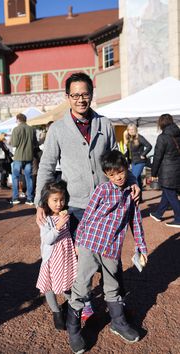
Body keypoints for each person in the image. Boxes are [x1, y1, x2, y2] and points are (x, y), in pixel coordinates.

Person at [35, 72, 140, 325]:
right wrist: (41, 201)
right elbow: (47, 165)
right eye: (75, 95)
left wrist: (133, 180)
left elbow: (117, 160)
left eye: (85, 94)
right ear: (67, 97)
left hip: (108, 204)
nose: (81, 99)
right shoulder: (58, 128)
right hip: (77, 206)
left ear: (92, 95)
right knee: (81, 261)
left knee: (111, 256)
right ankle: (82, 306)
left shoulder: (105, 124)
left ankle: (116, 306)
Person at [66, 150, 148, 353]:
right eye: (112, 174)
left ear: (126, 169)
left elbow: (136, 222)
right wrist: (78, 240)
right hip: (90, 242)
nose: (118, 177)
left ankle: (118, 323)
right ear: (106, 175)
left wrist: (141, 247)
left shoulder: (132, 192)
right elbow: (87, 216)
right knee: (82, 285)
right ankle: (73, 329)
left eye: (120, 172)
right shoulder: (102, 190)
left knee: (112, 286)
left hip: (112, 247)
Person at [36, 180, 77, 330]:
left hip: (66, 256)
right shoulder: (45, 219)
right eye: (55, 200)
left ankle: (73, 306)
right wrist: (58, 226)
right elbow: (47, 239)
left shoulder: (67, 213)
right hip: (52, 257)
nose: (59, 204)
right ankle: (56, 312)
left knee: (67, 282)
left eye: (62, 199)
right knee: (49, 286)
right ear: (46, 200)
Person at [150, 113, 180, 228]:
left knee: (171, 195)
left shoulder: (162, 137)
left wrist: (153, 173)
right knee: (167, 193)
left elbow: (157, 156)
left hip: (167, 172)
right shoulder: (178, 134)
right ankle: (158, 214)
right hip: (177, 170)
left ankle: (179, 218)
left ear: (161, 123)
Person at [10, 113, 35, 205]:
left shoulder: (16, 129)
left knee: (15, 177)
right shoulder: (32, 129)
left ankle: (15, 197)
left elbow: (14, 144)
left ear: (18, 120)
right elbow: (35, 143)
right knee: (29, 178)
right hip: (29, 156)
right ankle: (30, 198)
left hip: (18, 156)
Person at [123, 123, 152, 199]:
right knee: (138, 179)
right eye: (129, 129)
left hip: (140, 161)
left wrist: (143, 154)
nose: (131, 131)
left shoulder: (140, 137)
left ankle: (134, 197)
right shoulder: (129, 138)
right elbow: (129, 151)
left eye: (133, 129)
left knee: (133, 178)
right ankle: (140, 197)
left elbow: (149, 146)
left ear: (135, 130)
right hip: (133, 162)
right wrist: (124, 156)